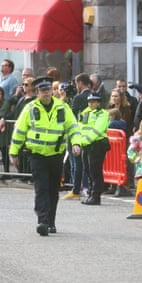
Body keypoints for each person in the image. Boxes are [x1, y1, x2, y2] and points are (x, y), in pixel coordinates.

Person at [10, 76, 82, 236]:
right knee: (41, 188)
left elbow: (73, 127)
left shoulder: (62, 108)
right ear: (37, 93)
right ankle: (42, 221)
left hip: (56, 155)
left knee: (52, 190)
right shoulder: (30, 109)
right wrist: (13, 152)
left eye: (48, 90)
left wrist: (77, 143)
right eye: (43, 91)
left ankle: (51, 221)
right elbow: (19, 130)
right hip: (37, 155)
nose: (46, 93)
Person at [63, 72, 92, 200]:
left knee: (76, 163)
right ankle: (85, 187)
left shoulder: (78, 98)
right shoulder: (94, 96)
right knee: (86, 163)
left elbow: (71, 116)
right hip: (89, 134)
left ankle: (76, 189)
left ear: (80, 83)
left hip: (76, 133)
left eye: (76, 83)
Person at [78, 92, 110, 205]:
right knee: (88, 170)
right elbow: (80, 127)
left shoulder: (103, 114)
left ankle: (96, 196)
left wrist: (84, 140)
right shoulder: (85, 112)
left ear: (98, 103)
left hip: (97, 144)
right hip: (86, 145)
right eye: (90, 101)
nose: (91, 104)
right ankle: (91, 193)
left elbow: (97, 130)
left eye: (94, 101)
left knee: (95, 171)